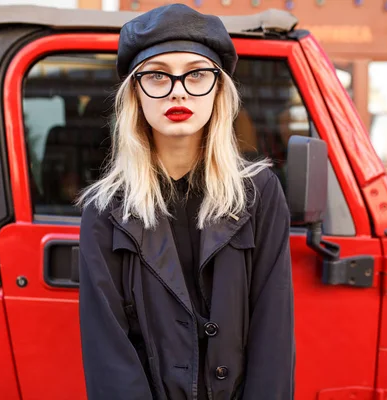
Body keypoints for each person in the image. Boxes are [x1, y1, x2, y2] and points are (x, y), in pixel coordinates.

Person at [77, 4, 295, 399]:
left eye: (196, 73)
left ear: (218, 90)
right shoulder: (106, 208)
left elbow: (273, 335)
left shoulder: (259, 192)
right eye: (157, 75)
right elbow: (108, 355)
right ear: (135, 95)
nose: (178, 89)